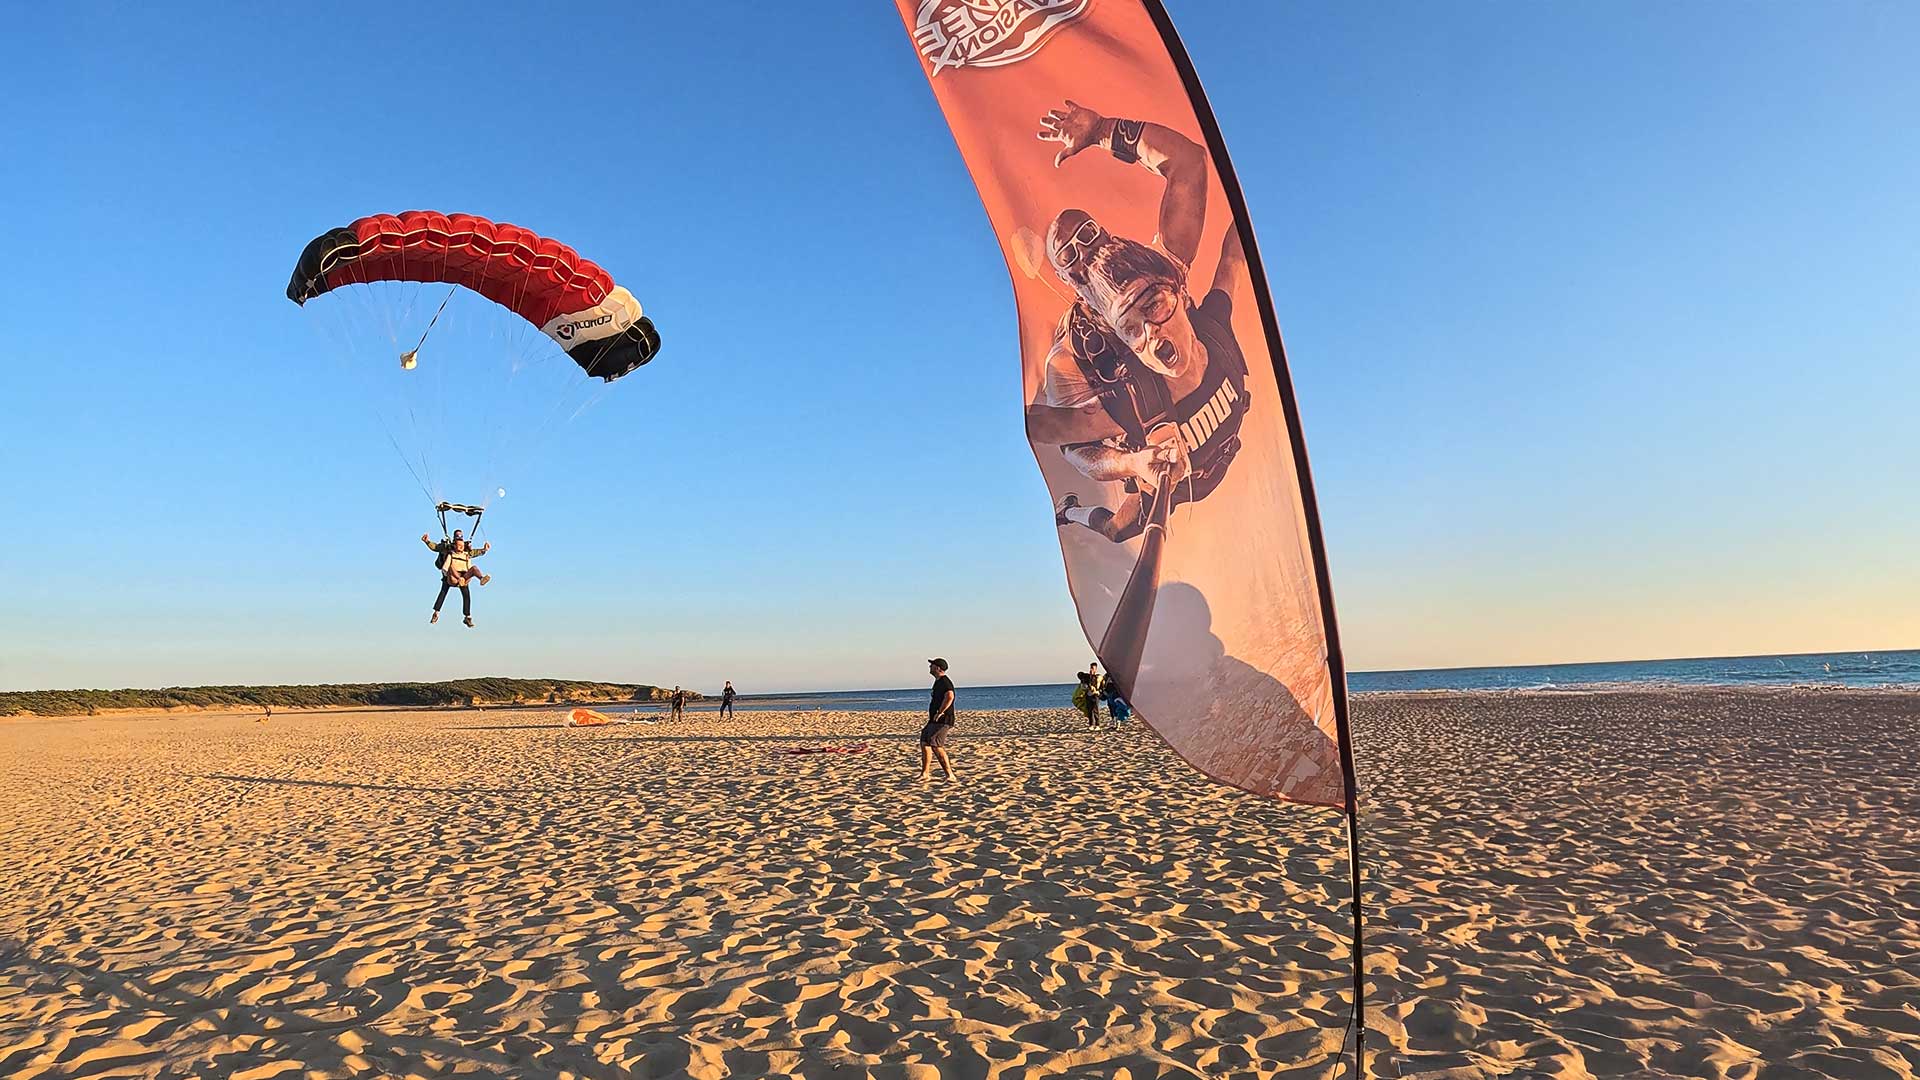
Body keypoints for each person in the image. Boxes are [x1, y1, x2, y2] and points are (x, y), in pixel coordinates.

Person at [1029, 100, 1253, 545]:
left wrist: (1103, 130)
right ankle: (1072, 512)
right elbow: (1070, 444)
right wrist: (1133, 463)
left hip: (1220, 438)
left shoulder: (1158, 272)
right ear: (1066, 280)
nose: (1086, 258)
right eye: (1071, 258)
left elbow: (1188, 165)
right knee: (1118, 529)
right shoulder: (1074, 357)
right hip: (1156, 462)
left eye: (1087, 238)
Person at [421, 530, 491, 627]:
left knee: (466, 595)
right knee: (443, 592)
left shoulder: (466, 551)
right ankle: (436, 613)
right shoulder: (448, 548)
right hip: (450, 575)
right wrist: (427, 541)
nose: (461, 546)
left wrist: (484, 550)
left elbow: (475, 552)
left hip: (463, 576)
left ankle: (468, 616)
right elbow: (436, 547)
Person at [919, 658, 957, 780]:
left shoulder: (945, 682)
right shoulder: (938, 681)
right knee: (925, 740)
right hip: (934, 719)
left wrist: (940, 712)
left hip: (943, 719)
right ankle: (925, 773)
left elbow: (950, 696)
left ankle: (949, 774)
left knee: (936, 744)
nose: (929, 667)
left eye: (932, 665)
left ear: (938, 668)